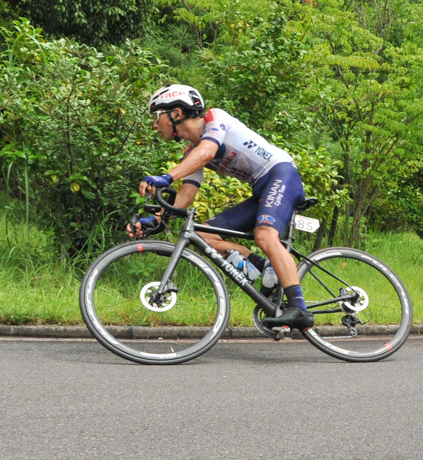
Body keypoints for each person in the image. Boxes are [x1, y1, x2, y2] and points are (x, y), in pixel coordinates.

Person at [132, 84, 314, 329]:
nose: (155, 124)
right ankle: (266, 269)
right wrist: (157, 220)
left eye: (157, 116)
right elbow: (186, 194)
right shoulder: (193, 152)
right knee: (203, 235)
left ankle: (299, 308)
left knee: (264, 234)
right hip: (262, 188)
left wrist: (166, 177)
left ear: (176, 114)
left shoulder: (214, 119)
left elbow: (208, 151)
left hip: (281, 174)